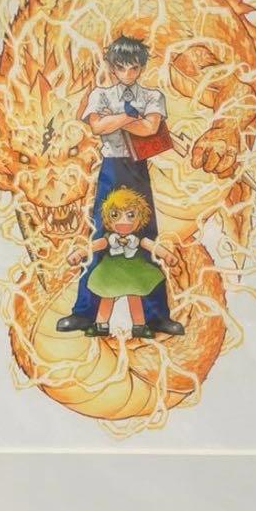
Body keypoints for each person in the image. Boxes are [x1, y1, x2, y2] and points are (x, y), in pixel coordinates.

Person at [55, 35, 186, 336]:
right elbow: (97, 126)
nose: (128, 74)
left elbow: (150, 128)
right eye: (122, 67)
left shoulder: (152, 96)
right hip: (111, 168)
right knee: (101, 236)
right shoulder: (100, 94)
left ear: (141, 67)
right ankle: (84, 313)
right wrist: (129, 116)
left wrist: (116, 120)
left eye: (134, 68)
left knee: (146, 236)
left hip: (138, 168)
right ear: (112, 67)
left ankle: (156, 316)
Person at [67, 187, 178, 337]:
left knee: (135, 296)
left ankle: (139, 326)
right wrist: (79, 253)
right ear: (108, 219)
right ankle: (101, 325)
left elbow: (152, 246)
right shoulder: (109, 238)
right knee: (107, 295)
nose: (123, 221)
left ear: (140, 218)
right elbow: (95, 245)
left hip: (134, 271)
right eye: (115, 215)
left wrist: (167, 255)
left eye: (131, 215)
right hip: (110, 271)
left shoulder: (138, 239)